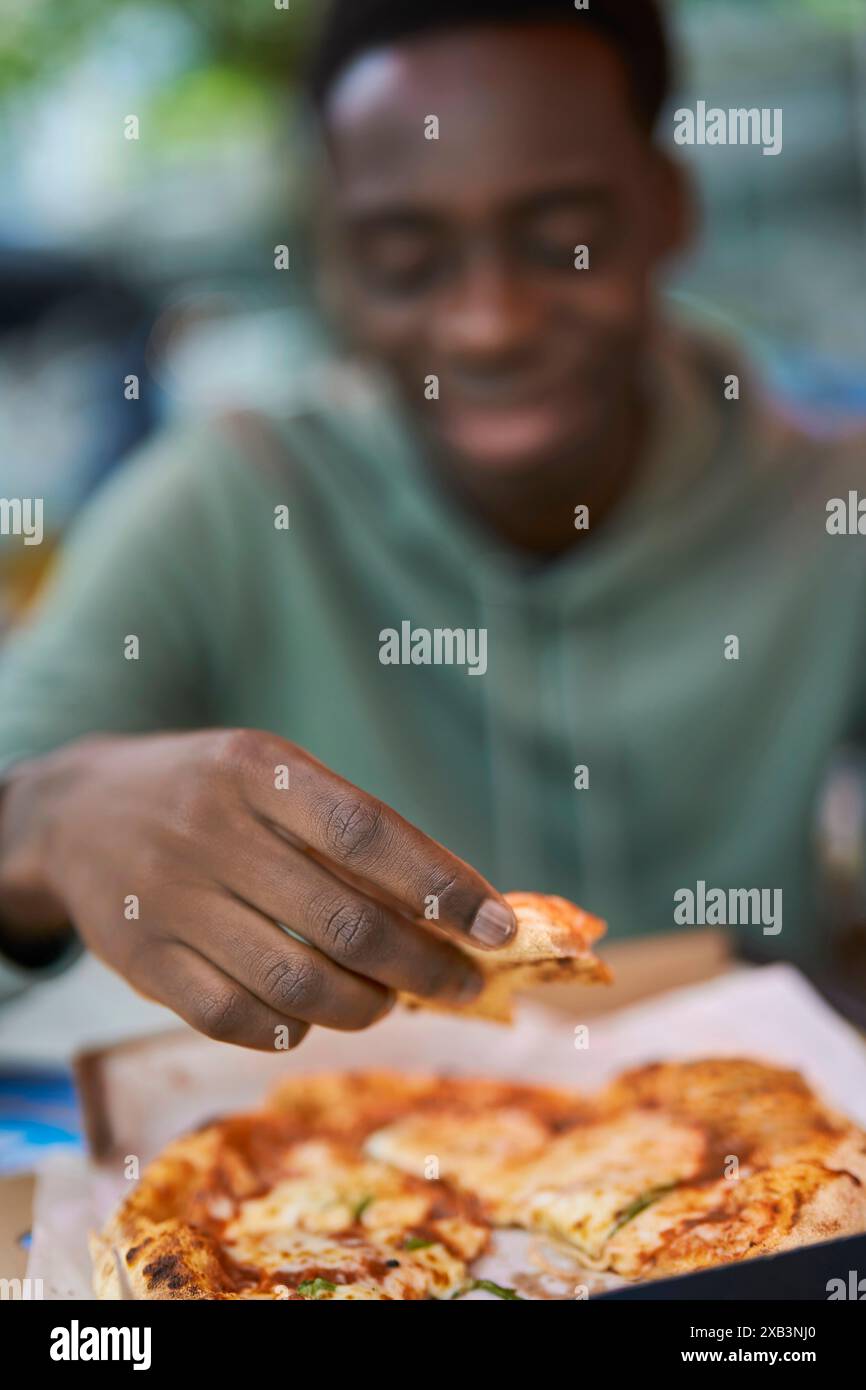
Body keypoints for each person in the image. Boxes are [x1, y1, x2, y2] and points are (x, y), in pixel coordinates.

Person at [0, 0, 863, 1046]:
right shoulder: (228, 502)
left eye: (562, 244)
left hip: (762, 1158)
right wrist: (50, 821)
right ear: (332, 262)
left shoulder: (829, 502)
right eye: (406, 260)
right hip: (338, 1167)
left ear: (666, 208)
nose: (487, 321)